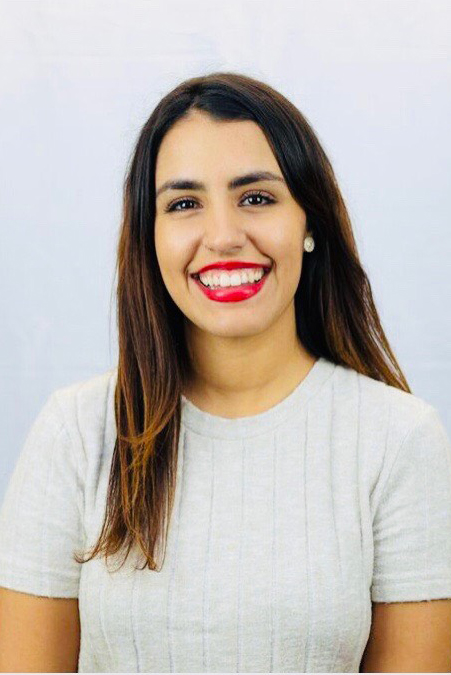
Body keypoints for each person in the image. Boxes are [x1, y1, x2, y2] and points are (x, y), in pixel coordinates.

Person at [1, 71, 451, 673]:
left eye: (257, 198)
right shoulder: (76, 433)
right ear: (149, 237)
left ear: (309, 221)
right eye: (184, 204)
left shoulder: (400, 440)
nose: (222, 236)